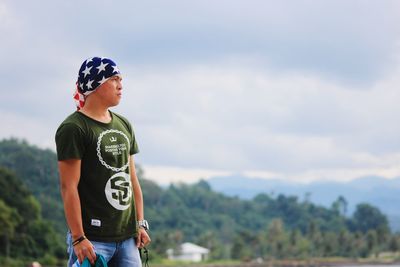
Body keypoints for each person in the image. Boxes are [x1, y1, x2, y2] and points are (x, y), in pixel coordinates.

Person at [55, 57, 151, 267]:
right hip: (92, 240)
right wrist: (79, 238)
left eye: (121, 79)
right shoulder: (74, 128)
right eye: (114, 79)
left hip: (128, 238)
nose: (120, 85)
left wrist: (140, 224)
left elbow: (132, 178)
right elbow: (68, 187)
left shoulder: (123, 124)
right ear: (95, 84)